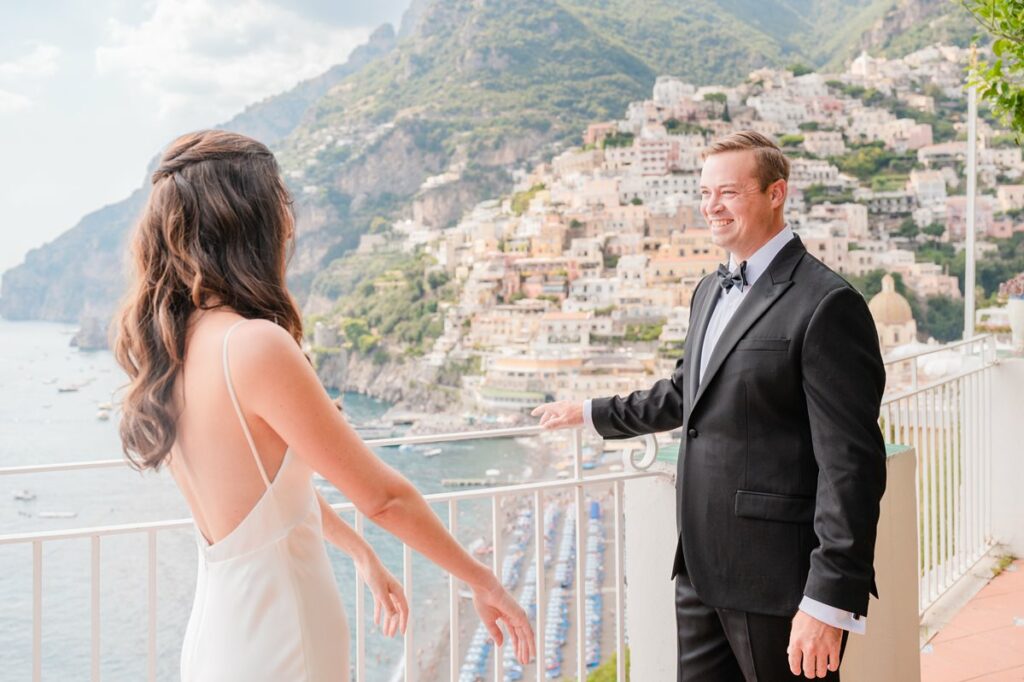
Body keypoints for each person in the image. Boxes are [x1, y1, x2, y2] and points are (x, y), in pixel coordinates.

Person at [113, 130, 534, 681]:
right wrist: (483, 579)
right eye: (280, 202)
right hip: (284, 637)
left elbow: (271, 494)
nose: (289, 222)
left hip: (220, 637)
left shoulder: (172, 348)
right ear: (251, 221)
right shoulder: (255, 345)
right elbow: (384, 497)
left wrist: (359, 552)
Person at [531, 131, 886, 681]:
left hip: (780, 583)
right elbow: (685, 394)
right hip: (699, 570)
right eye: (703, 193)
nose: (710, 206)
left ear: (776, 193)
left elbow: (853, 466)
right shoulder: (708, 290)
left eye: (728, 192)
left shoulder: (828, 303)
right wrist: (590, 411)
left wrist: (828, 600)